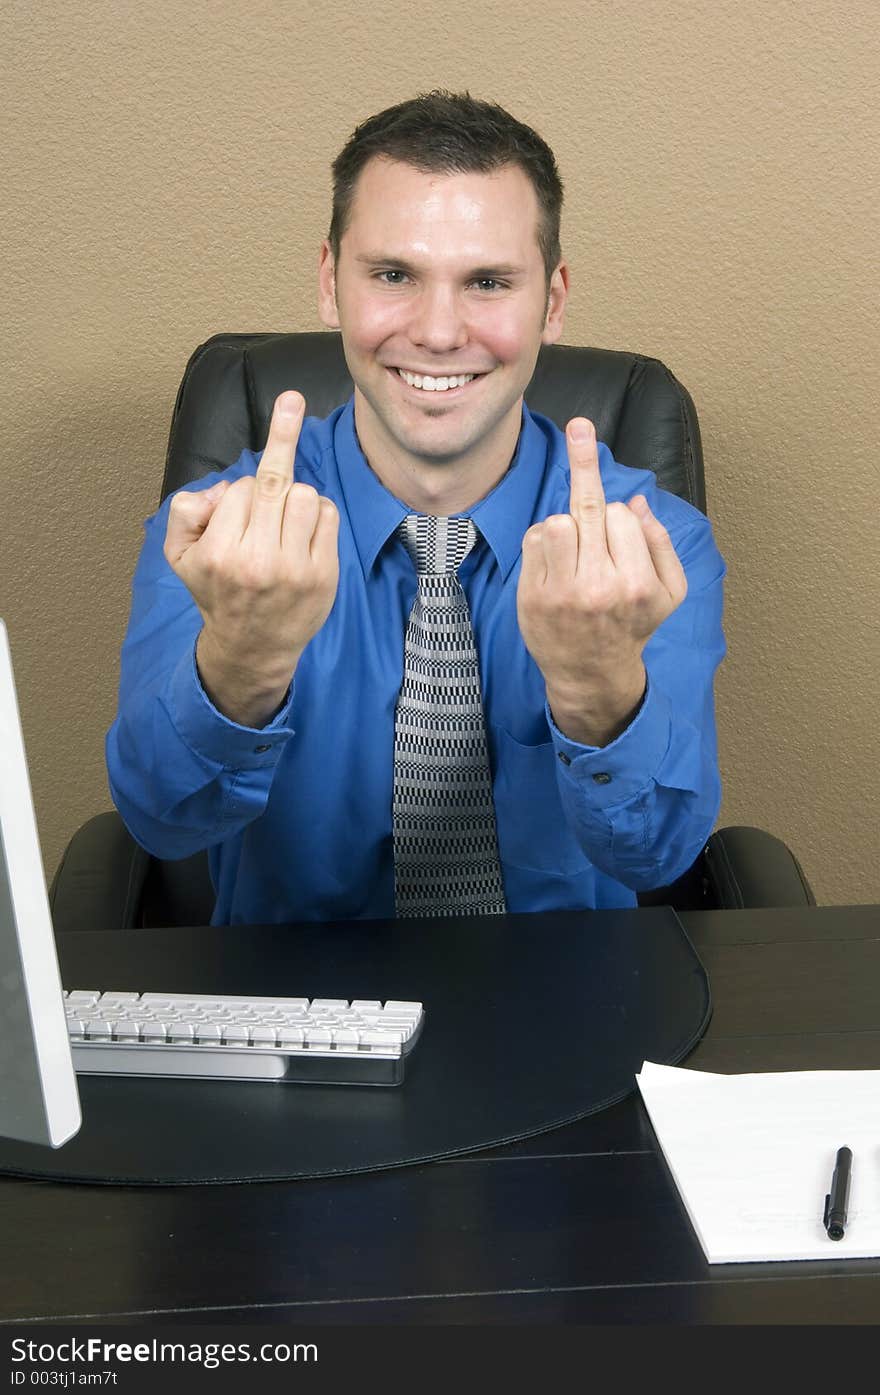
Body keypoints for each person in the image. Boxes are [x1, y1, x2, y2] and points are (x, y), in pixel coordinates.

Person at [106, 90, 726, 925]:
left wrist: (597, 685)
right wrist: (241, 660)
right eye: (394, 274)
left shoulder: (656, 548)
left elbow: (656, 855)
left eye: (488, 282)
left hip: (561, 1010)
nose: (439, 331)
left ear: (552, 300)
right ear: (332, 285)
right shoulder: (217, 535)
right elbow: (161, 821)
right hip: (293, 1014)